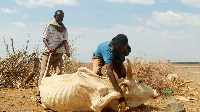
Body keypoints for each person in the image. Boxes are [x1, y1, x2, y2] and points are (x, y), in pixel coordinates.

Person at [36, 10, 70, 103]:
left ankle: (55, 94)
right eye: (58, 17)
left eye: (62, 17)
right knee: (43, 73)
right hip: (48, 54)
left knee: (59, 74)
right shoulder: (49, 26)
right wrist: (50, 47)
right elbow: (44, 38)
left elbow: (64, 41)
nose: (60, 18)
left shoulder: (64, 29)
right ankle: (39, 94)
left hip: (59, 54)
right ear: (55, 16)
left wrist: (61, 49)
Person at [92, 34, 131, 106]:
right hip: (99, 57)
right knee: (95, 74)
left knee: (123, 75)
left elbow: (120, 63)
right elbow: (109, 72)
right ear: (115, 45)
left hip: (114, 58)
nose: (121, 51)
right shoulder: (108, 49)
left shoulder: (125, 49)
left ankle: (124, 91)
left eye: (123, 49)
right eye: (119, 49)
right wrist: (119, 92)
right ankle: (100, 95)